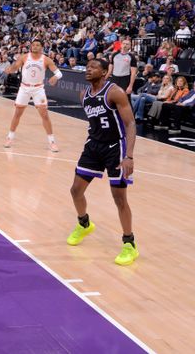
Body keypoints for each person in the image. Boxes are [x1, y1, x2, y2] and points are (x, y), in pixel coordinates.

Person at [68, 58, 138, 266]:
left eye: (94, 67)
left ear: (106, 72)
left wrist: (129, 156)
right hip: (93, 146)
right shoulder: (84, 95)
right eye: (87, 67)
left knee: (119, 198)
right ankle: (84, 224)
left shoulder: (114, 92)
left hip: (115, 148)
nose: (89, 70)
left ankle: (129, 244)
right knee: (75, 190)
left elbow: (131, 124)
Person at [3, 39, 62, 151]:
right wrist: (10, 70)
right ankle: (10, 137)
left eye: (37, 45)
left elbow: (59, 72)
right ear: (31, 47)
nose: (35, 46)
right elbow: (15, 68)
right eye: (33, 45)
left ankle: (52, 141)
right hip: (24, 88)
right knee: (17, 114)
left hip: (38, 89)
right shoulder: (24, 57)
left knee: (44, 115)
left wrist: (55, 77)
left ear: (42, 47)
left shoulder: (46, 59)